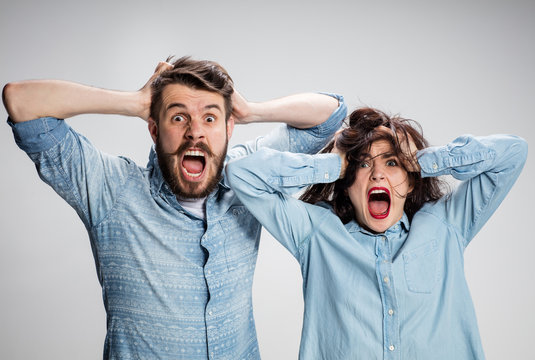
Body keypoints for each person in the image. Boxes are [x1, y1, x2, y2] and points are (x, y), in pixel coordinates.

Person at [2, 56, 346, 359]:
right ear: (154, 129)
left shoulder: (247, 181)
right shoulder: (112, 190)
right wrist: (134, 102)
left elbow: (329, 116)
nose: (195, 132)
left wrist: (251, 110)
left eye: (210, 119)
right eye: (178, 118)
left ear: (229, 129)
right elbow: (21, 101)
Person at [226, 107, 528, 359]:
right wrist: (333, 163)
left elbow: (513, 151)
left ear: (410, 182)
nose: (378, 173)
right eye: (363, 163)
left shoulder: (446, 225)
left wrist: (423, 160)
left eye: (392, 162)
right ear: (347, 181)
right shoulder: (317, 235)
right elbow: (241, 173)